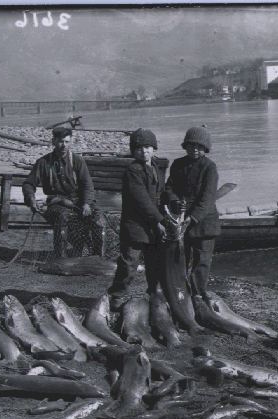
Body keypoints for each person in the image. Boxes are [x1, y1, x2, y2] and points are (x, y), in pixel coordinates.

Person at [107, 128, 167, 311]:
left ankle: (154, 292)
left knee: (155, 261)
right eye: (139, 148)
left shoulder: (156, 167)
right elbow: (141, 199)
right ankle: (117, 294)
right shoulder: (133, 170)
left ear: (154, 148)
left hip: (152, 224)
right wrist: (158, 221)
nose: (144, 151)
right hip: (135, 224)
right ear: (133, 151)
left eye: (148, 147)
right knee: (129, 263)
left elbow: (161, 193)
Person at [22, 127, 106, 258]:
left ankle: (96, 257)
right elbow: (28, 184)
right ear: (53, 141)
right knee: (63, 217)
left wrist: (86, 203)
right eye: (61, 142)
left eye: (67, 142)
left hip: (78, 201)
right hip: (56, 204)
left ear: (71, 142)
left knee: (97, 218)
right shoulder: (43, 162)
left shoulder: (78, 161)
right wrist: (30, 200)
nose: (64, 146)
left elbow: (87, 186)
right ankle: (60, 256)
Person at [160, 125, 221, 302]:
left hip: (204, 223)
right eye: (191, 146)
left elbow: (207, 199)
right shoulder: (178, 164)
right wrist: (174, 201)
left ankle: (198, 294)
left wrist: (192, 218)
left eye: (200, 147)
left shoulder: (209, 167)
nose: (195, 150)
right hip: (181, 222)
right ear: (185, 146)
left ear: (205, 149)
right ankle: (180, 294)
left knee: (201, 262)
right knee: (180, 260)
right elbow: (168, 188)